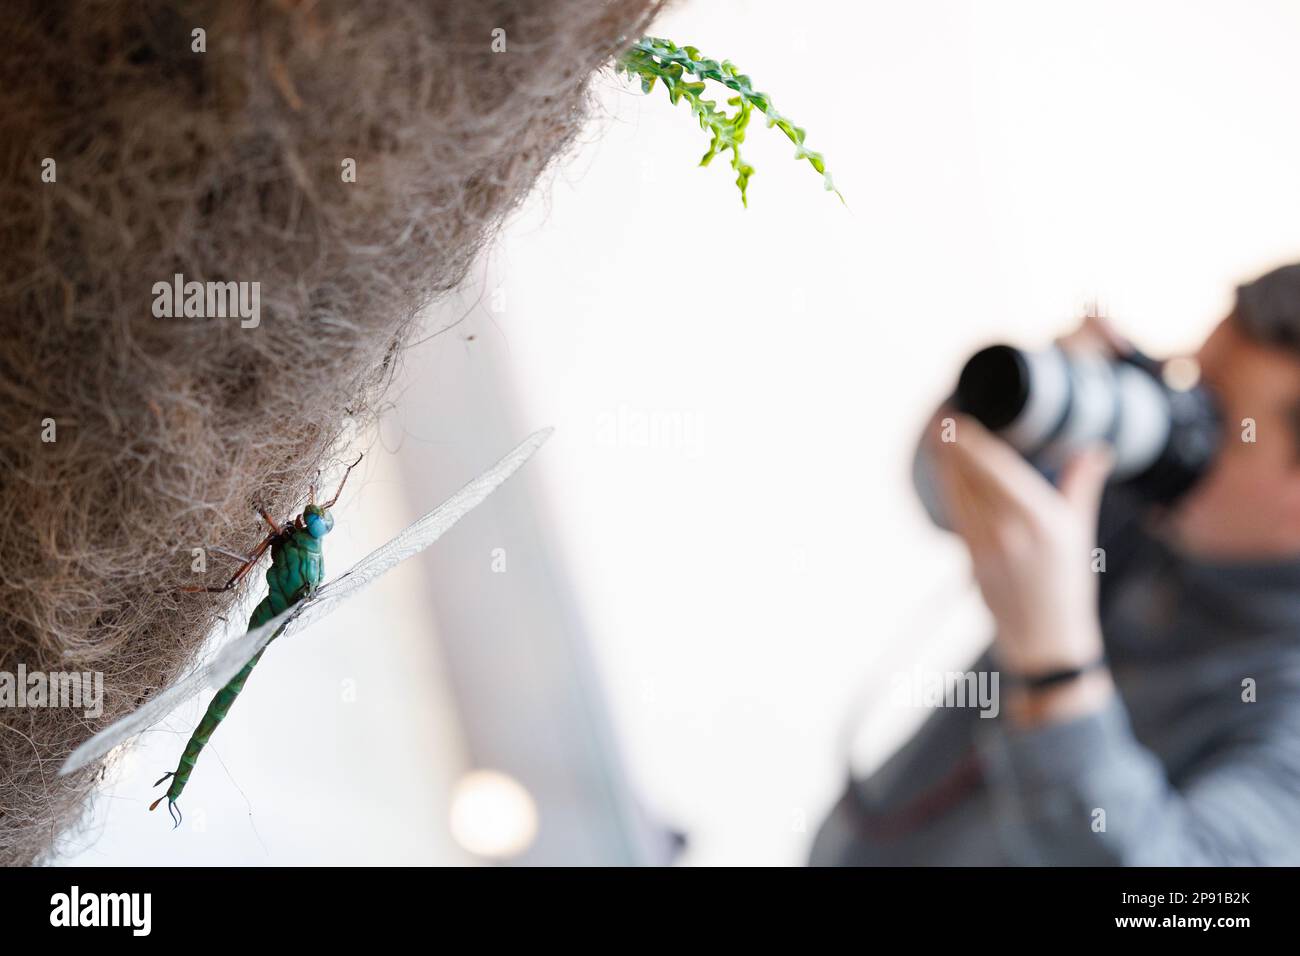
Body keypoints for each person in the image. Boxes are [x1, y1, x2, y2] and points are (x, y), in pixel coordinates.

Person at [811, 263, 1300, 865]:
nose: (1177, 427)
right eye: (1186, 382)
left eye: (1215, 421)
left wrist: (1056, 674)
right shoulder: (1142, 505)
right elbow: (934, 485)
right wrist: (1038, 403)